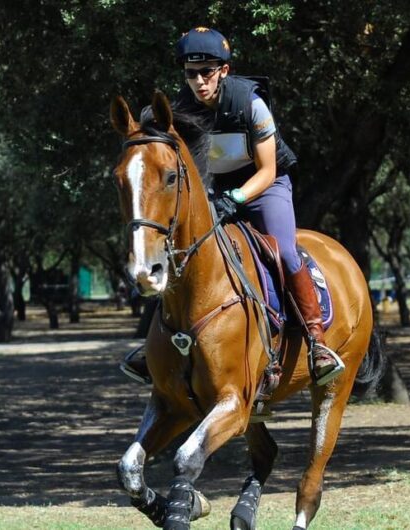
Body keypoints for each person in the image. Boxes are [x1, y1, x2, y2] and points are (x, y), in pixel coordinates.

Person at [121, 27, 344, 386]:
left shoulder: (249, 103)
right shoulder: (178, 108)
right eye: (191, 73)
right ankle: (156, 345)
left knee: (284, 251)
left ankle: (316, 341)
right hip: (217, 189)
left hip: (264, 186)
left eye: (206, 71)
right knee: (182, 253)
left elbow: (268, 169)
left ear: (223, 70)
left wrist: (236, 198)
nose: (198, 81)